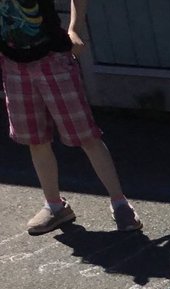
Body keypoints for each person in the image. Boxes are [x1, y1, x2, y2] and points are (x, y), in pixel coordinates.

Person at [1, 0, 142, 235]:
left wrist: (74, 28)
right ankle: (55, 206)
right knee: (36, 140)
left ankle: (120, 203)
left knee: (86, 136)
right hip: (13, 64)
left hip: (53, 59)